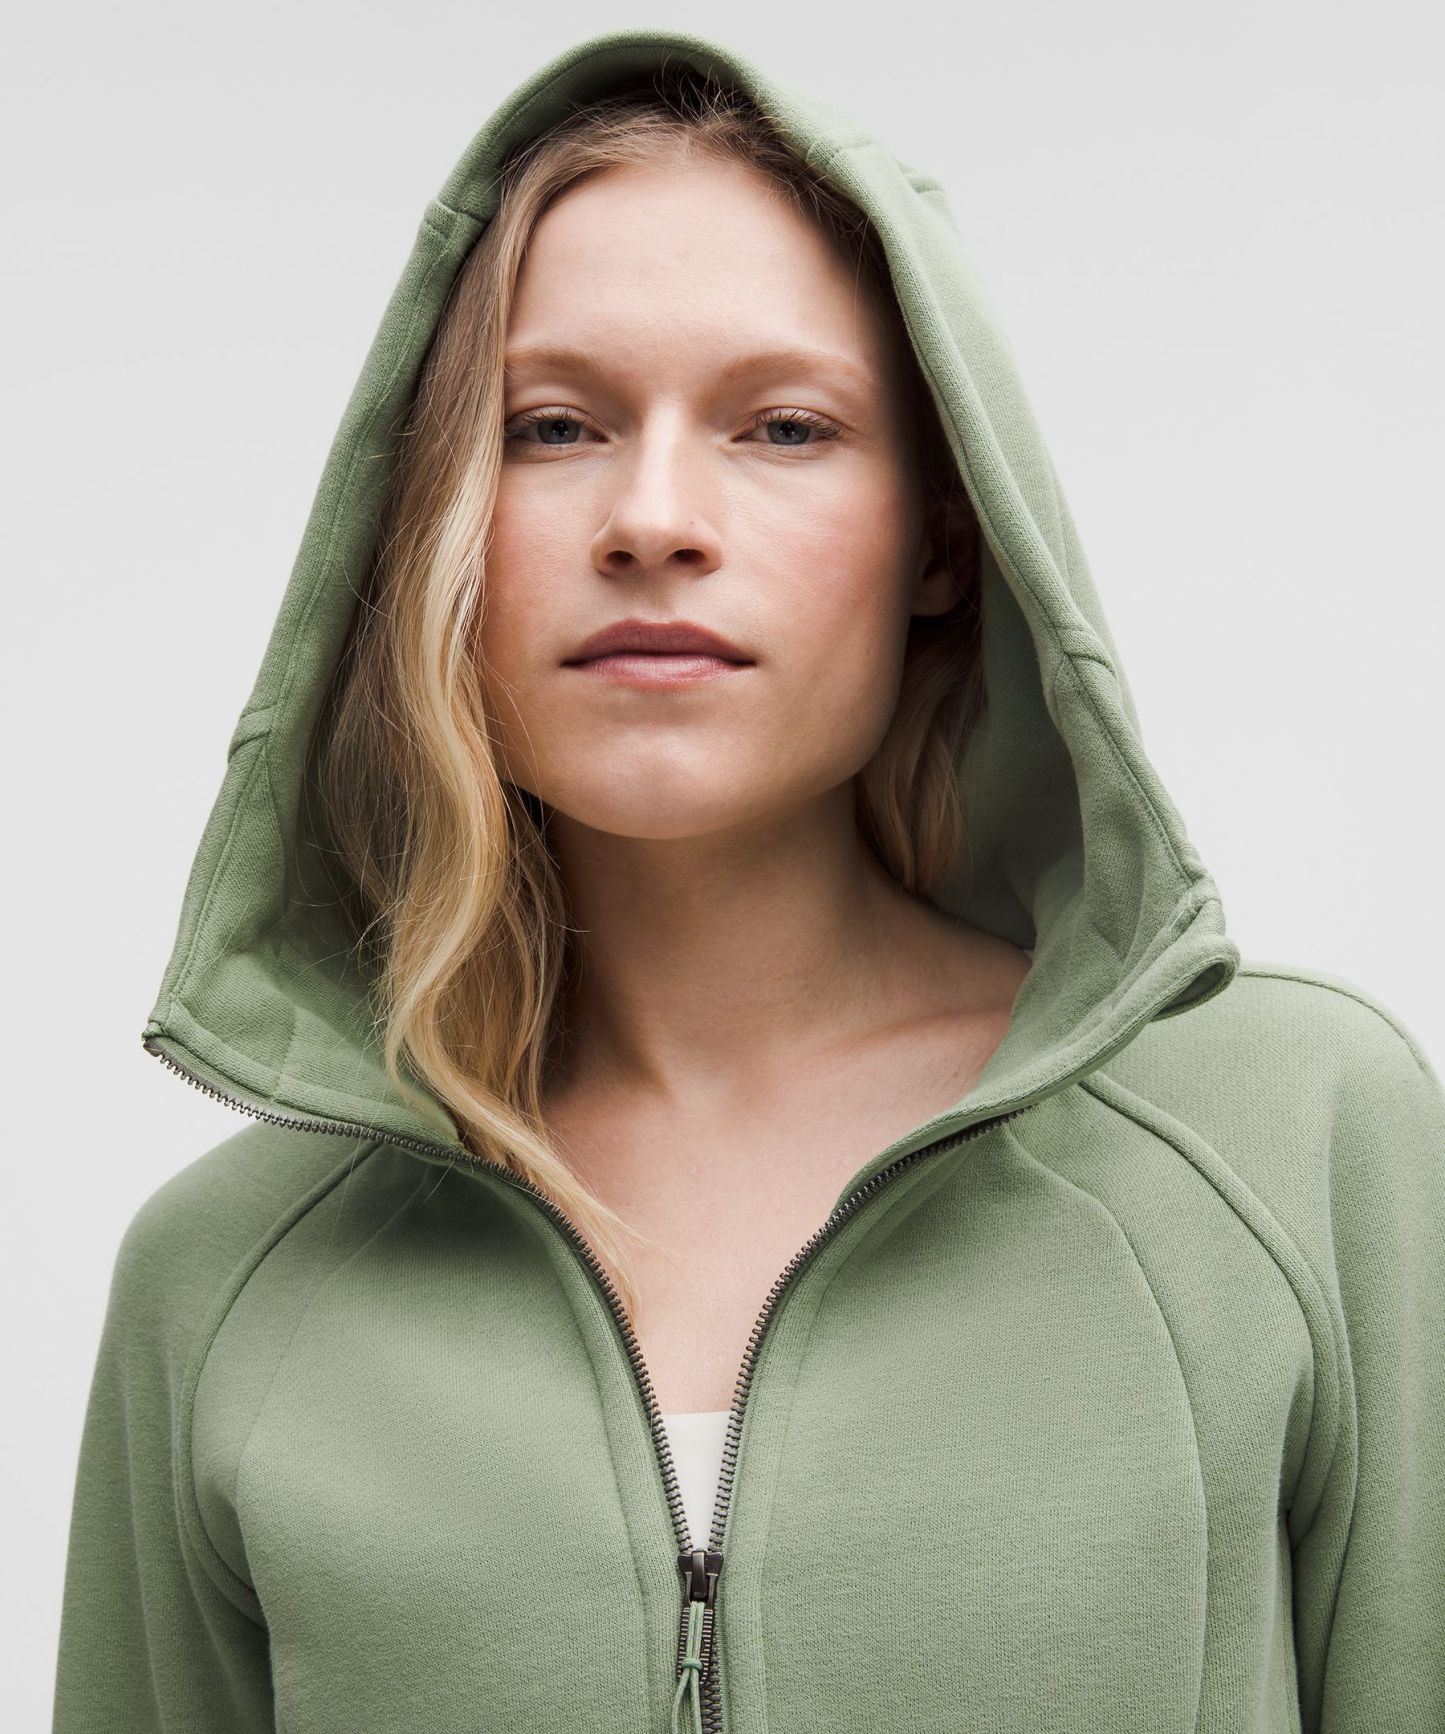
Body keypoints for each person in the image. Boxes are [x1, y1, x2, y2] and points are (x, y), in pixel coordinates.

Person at [52, 28, 1445, 1734]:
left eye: (783, 425)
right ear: (434, 533)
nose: (651, 518)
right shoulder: (227, 1278)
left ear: (944, 536)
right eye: (550, 426)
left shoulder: (1287, 1142)